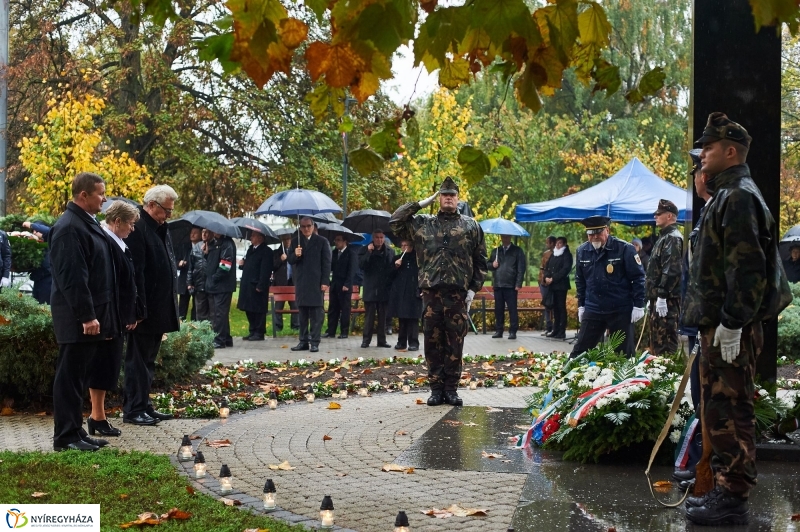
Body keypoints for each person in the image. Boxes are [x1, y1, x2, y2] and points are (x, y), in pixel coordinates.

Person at [683, 113, 792, 526]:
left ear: (730, 151)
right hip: (721, 325)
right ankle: (727, 491)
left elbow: (747, 270)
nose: (702, 154)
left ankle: (733, 496)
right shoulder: (727, 196)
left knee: (731, 410)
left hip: (733, 327)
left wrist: (732, 321)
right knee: (718, 410)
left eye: (708, 148)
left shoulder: (740, 196)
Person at [390, 177, 487, 407]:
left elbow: (481, 260)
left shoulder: (471, 226)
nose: (448, 198)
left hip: (457, 296)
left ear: (458, 198)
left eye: (452, 195)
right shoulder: (423, 223)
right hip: (431, 296)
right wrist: (420, 204)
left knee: (455, 343)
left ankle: (451, 389)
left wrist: (473, 289)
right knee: (432, 343)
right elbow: (395, 221)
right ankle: (435, 389)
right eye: (444, 195)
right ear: (438, 199)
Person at [49, 172, 117, 451]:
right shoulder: (68, 228)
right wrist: (87, 316)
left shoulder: (83, 223)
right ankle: (65, 437)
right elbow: (73, 278)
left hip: (88, 316)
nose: (104, 198)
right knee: (69, 378)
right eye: (100, 193)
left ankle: (75, 432)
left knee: (77, 377)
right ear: (83, 195)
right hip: (76, 319)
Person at [123, 184, 180, 426]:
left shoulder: (159, 227)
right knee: (137, 361)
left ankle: (144, 405)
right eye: (166, 210)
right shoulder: (138, 227)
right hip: (144, 311)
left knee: (148, 360)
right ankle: (134, 409)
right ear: (152, 205)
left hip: (158, 308)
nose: (169, 215)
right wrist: (138, 309)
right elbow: (136, 272)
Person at [87, 200, 142, 438]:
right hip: (108, 313)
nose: (132, 229)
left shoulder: (117, 241)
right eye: (130, 224)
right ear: (117, 221)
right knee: (102, 365)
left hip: (116, 314)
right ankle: (96, 416)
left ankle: (98, 416)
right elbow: (111, 283)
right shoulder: (106, 241)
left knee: (109, 365)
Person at [674, 149, 711, 489]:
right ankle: (703, 467)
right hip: (701, 326)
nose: (696, 176)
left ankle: (713, 476)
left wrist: (727, 323)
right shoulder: (707, 213)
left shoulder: (730, 206)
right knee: (701, 400)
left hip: (717, 327)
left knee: (714, 404)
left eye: (699, 169)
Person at [571, 216, 645, 358]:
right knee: (579, 353)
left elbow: (638, 278)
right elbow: (580, 280)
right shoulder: (582, 251)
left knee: (623, 355)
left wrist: (638, 305)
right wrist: (581, 305)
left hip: (619, 309)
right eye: (591, 234)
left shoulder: (624, 249)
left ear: (607, 230)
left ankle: (626, 380)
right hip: (594, 308)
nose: (595, 237)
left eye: (598, 233)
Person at [288, 218, 331, 353]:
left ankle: (315, 342)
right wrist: (296, 255)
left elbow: (326, 263)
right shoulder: (296, 242)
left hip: (316, 283)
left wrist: (325, 281)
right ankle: (303, 341)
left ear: (313, 226)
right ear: (300, 227)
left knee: (316, 314)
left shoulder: (322, 242)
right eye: (303, 226)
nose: (306, 229)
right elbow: (290, 260)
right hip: (301, 282)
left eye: (308, 226)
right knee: (302, 315)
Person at [646, 199, 684, 355]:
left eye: (659, 214)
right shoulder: (664, 237)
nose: (655, 217)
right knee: (657, 343)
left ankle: (669, 377)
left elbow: (672, 270)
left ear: (669, 216)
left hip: (667, 300)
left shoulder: (672, 238)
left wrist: (661, 295)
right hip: (660, 299)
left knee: (665, 344)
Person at [359, 229, 395, 348]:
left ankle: (382, 340)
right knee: (369, 316)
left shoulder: (390, 251)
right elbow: (362, 266)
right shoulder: (364, 250)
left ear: (384, 238)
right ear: (373, 238)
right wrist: (369, 253)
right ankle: (366, 340)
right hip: (370, 287)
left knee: (382, 316)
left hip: (384, 288)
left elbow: (391, 269)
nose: (379, 240)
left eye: (381, 237)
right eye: (377, 237)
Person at [487, 234, 526, 340]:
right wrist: (492, 265)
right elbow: (487, 264)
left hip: (511, 285)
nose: (505, 239)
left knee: (512, 309)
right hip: (498, 284)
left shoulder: (517, 251)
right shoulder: (496, 251)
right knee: (498, 309)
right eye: (503, 237)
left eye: (507, 237)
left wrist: (518, 283)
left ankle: (513, 331)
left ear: (510, 238)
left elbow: (521, 268)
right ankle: (499, 330)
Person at [237, 230, 273, 341]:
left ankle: (259, 332)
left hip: (257, 285)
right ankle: (252, 330)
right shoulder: (250, 250)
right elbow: (249, 265)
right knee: (249, 309)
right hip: (248, 284)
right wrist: (242, 265)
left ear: (260, 238)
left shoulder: (266, 251)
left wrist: (261, 285)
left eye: (253, 236)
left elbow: (265, 270)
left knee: (258, 310)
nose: (251, 238)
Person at [388, 240, 422, 351]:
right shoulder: (397, 259)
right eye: (402, 245)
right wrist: (395, 266)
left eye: (406, 245)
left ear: (411, 246)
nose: (404, 247)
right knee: (402, 317)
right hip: (401, 292)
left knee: (412, 318)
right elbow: (390, 276)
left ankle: (413, 342)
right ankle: (401, 342)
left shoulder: (417, 259)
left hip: (413, 292)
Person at [205, 231, 237, 349]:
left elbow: (225, 265)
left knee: (220, 313)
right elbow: (211, 261)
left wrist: (214, 278)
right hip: (215, 285)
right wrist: (206, 252)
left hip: (223, 285)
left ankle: (219, 340)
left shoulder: (227, 243)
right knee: (220, 313)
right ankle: (227, 338)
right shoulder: (214, 243)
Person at [325, 234, 357, 338]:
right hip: (334, 285)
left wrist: (347, 284)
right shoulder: (334, 253)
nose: (336, 242)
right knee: (333, 309)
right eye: (335, 240)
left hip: (344, 286)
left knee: (345, 309)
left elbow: (352, 270)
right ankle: (331, 331)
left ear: (345, 241)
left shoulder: (351, 253)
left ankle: (344, 332)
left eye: (338, 240)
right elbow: (330, 267)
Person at [543, 236, 572, 340]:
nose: (557, 245)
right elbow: (547, 267)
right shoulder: (553, 254)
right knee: (554, 309)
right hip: (552, 286)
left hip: (561, 286)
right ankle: (555, 330)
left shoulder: (566, 255)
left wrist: (553, 278)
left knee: (561, 308)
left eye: (560, 243)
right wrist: (546, 277)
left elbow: (565, 270)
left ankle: (561, 330)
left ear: (564, 244)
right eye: (556, 243)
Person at [272, 233, 300, 331]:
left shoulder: (295, 251)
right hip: (281, 282)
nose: (287, 241)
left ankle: (296, 325)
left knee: (295, 305)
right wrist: (280, 259)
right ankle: (277, 326)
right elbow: (272, 266)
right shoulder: (277, 252)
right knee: (278, 306)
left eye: (288, 239)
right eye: (285, 239)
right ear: (282, 240)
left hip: (293, 281)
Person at [22, 221, 52, 304]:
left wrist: (31, 225)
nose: (34, 232)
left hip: (48, 279)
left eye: (36, 230)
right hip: (37, 279)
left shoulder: (49, 240)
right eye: (33, 231)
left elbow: (48, 230)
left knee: (45, 305)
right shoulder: (34, 245)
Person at [176, 227, 201, 320]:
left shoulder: (203, 247)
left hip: (197, 280)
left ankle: (194, 326)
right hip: (184, 279)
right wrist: (179, 263)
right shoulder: (184, 246)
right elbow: (175, 260)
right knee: (182, 305)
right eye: (191, 233)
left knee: (197, 306)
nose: (192, 234)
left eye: (195, 233)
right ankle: (181, 326)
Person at [187, 228, 210, 321]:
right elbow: (191, 267)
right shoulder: (197, 247)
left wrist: (207, 254)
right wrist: (189, 283)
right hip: (198, 283)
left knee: (212, 313)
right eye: (203, 232)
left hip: (210, 284)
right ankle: (200, 333)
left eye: (207, 232)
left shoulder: (214, 246)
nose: (204, 234)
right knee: (199, 312)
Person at [538, 236, 555, 335]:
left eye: (547, 242)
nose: (546, 244)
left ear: (552, 243)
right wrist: (542, 280)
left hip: (554, 283)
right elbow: (542, 268)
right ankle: (548, 326)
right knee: (547, 304)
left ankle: (555, 327)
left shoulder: (558, 254)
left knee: (555, 305)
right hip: (544, 283)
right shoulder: (546, 254)